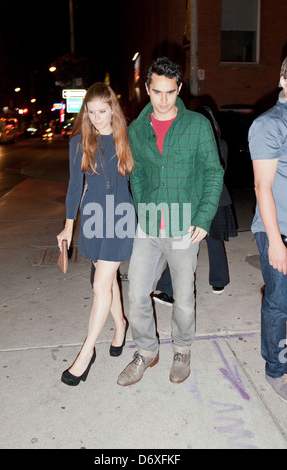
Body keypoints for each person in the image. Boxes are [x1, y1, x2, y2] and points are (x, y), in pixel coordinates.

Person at [117, 57, 224, 386]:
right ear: (147, 88)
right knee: (136, 294)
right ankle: (147, 351)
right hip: (149, 225)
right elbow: (136, 175)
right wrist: (140, 207)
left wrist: (204, 217)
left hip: (183, 224)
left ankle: (182, 349)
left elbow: (213, 172)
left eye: (170, 92)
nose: (163, 100)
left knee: (183, 298)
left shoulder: (196, 125)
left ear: (179, 89)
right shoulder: (136, 129)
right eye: (157, 91)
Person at [57, 82, 136, 386]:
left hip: (119, 218)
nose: (97, 117)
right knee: (108, 279)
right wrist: (68, 225)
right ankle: (120, 325)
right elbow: (75, 186)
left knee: (101, 283)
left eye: (103, 111)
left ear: (112, 109)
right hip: (92, 217)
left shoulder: (125, 137)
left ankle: (86, 353)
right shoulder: (79, 142)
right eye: (91, 112)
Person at [153, 105, 237, 306]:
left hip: (209, 200)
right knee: (194, 244)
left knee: (202, 243)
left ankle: (174, 290)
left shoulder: (217, 145)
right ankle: (215, 283)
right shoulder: (204, 144)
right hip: (205, 200)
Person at [249, 56, 287, 403]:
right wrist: (276, 242)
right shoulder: (270, 124)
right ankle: (276, 369)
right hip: (278, 231)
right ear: (283, 80)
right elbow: (263, 187)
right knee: (279, 303)